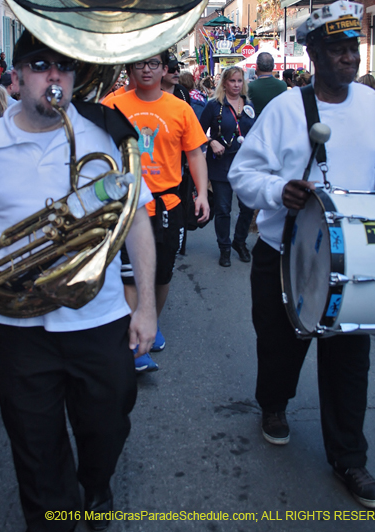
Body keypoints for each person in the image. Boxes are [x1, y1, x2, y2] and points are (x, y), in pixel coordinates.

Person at [0, 31, 157, 532]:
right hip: (19, 326)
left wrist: (145, 306)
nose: (53, 75)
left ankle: (97, 481)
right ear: (17, 77)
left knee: (108, 424)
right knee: (35, 448)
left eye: (64, 65)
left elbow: (137, 220)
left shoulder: (106, 135)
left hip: (99, 317)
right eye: (40, 65)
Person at [229, 0, 375, 509]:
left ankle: (351, 459)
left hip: (350, 261)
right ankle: (274, 405)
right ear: (315, 54)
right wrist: (280, 191)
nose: (350, 58)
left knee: (350, 359)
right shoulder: (285, 109)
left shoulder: (370, 105)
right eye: (338, 50)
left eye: (354, 49)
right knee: (280, 348)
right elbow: (242, 175)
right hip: (286, 255)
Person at [108, 51, 209, 371]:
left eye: (154, 64)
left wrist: (202, 193)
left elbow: (195, 153)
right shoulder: (113, 105)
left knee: (162, 272)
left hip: (168, 204)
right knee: (128, 273)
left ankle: (150, 319)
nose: (147, 70)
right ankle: (135, 344)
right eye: (140, 63)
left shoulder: (180, 108)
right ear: (130, 67)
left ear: (165, 69)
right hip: (124, 203)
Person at [200, 66, 255, 267]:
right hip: (220, 164)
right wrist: (210, 142)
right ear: (224, 83)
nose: (236, 85)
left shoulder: (248, 105)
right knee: (223, 208)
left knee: (247, 207)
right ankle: (224, 247)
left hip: (245, 165)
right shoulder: (214, 105)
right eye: (232, 81)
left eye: (239, 81)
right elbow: (198, 130)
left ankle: (239, 242)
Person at [248, 52, 287, 118]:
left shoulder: (250, 86)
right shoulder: (282, 85)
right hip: (276, 122)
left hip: (257, 123)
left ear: (257, 66)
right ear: (273, 66)